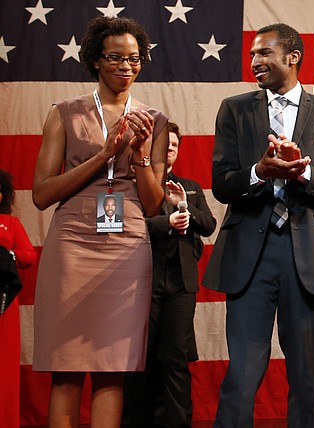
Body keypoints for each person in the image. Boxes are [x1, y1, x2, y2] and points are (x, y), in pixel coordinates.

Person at [202, 23, 314, 428]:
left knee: (308, 380)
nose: (255, 62)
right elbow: (221, 184)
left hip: (309, 260)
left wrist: (304, 174)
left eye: (264, 53)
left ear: (293, 57)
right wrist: (258, 172)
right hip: (250, 256)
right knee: (242, 377)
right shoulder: (234, 108)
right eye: (252, 55)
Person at [31, 16, 169, 428]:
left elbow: (153, 203)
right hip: (72, 246)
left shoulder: (154, 120)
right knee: (67, 366)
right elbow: (41, 194)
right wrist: (104, 155)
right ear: (94, 60)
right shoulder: (65, 113)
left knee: (113, 366)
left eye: (135, 58)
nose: (126, 66)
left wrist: (141, 155)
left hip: (126, 246)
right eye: (115, 57)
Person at [122, 121, 217, 428]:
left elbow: (209, 224)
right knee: (140, 359)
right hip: (141, 284)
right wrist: (167, 224)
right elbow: (123, 228)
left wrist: (185, 208)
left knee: (175, 360)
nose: (170, 150)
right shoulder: (133, 185)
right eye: (166, 145)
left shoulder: (189, 187)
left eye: (174, 146)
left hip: (181, 284)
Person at [0, 170, 37, 428]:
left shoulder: (10, 224)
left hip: (4, 301)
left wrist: (7, 256)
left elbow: (28, 255)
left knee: (4, 369)